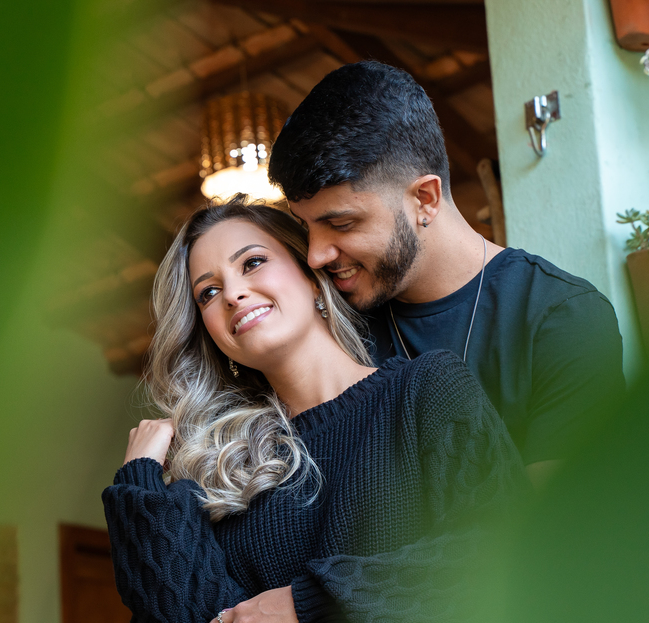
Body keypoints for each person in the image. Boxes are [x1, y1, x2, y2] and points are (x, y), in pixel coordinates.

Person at [102, 196, 525, 623]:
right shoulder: (223, 463)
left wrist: (303, 609)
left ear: (311, 274)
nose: (233, 294)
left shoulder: (426, 391)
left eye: (252, 263)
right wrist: (140, 478)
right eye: (208, 292)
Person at [268, 61, 627, 486]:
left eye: (342, 224)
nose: (315, 256)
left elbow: (556, 520)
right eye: (306, 226)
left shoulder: (563, 319)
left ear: (426, 198)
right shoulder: (331, 321)